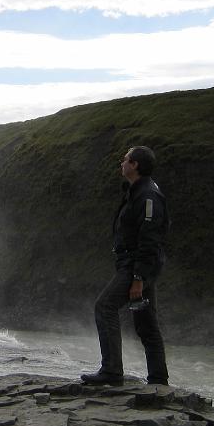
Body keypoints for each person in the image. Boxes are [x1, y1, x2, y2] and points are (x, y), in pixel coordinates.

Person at [82, 146, 170, 387]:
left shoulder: (148, 196)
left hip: (137, 266)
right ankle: (159, 382)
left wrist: (138, 277)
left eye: (125, 159)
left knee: (105, 306)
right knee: (146, 323)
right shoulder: (136, 191)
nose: (121, 162)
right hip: (135, 264)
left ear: (135, 166)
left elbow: (150, 239)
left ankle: (111, 371)